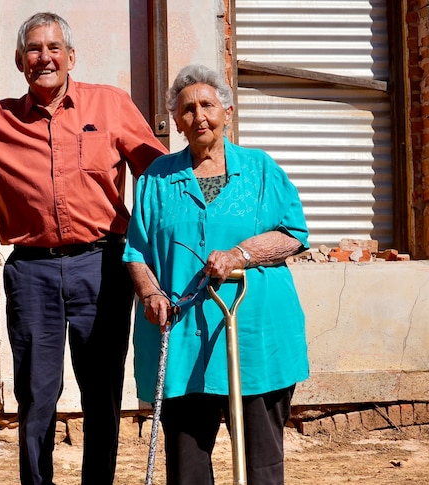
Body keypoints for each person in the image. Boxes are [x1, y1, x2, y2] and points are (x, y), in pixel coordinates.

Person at [0, 12, 167, 485]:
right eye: (33, 49)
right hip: (31, 272)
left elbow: (160, 172)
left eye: (52, 48)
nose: (43, 57)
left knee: (102, 394)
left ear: (70, 57)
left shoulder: (109, 105)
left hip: (103, 266)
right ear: (20, 61)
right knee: (36, 396)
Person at [123, 64, 310, 485]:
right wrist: (151, 292)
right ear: (176, 120)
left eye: (207, 104)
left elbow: (293, 234)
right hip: (183, 336)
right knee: (187, 465)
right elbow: (136, 250)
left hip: (255, 334)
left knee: (261, 462)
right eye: (187, 109)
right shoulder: (157, 178)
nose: (199, 116)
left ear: (227, 109)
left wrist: (242, 254)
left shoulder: (261, 169)